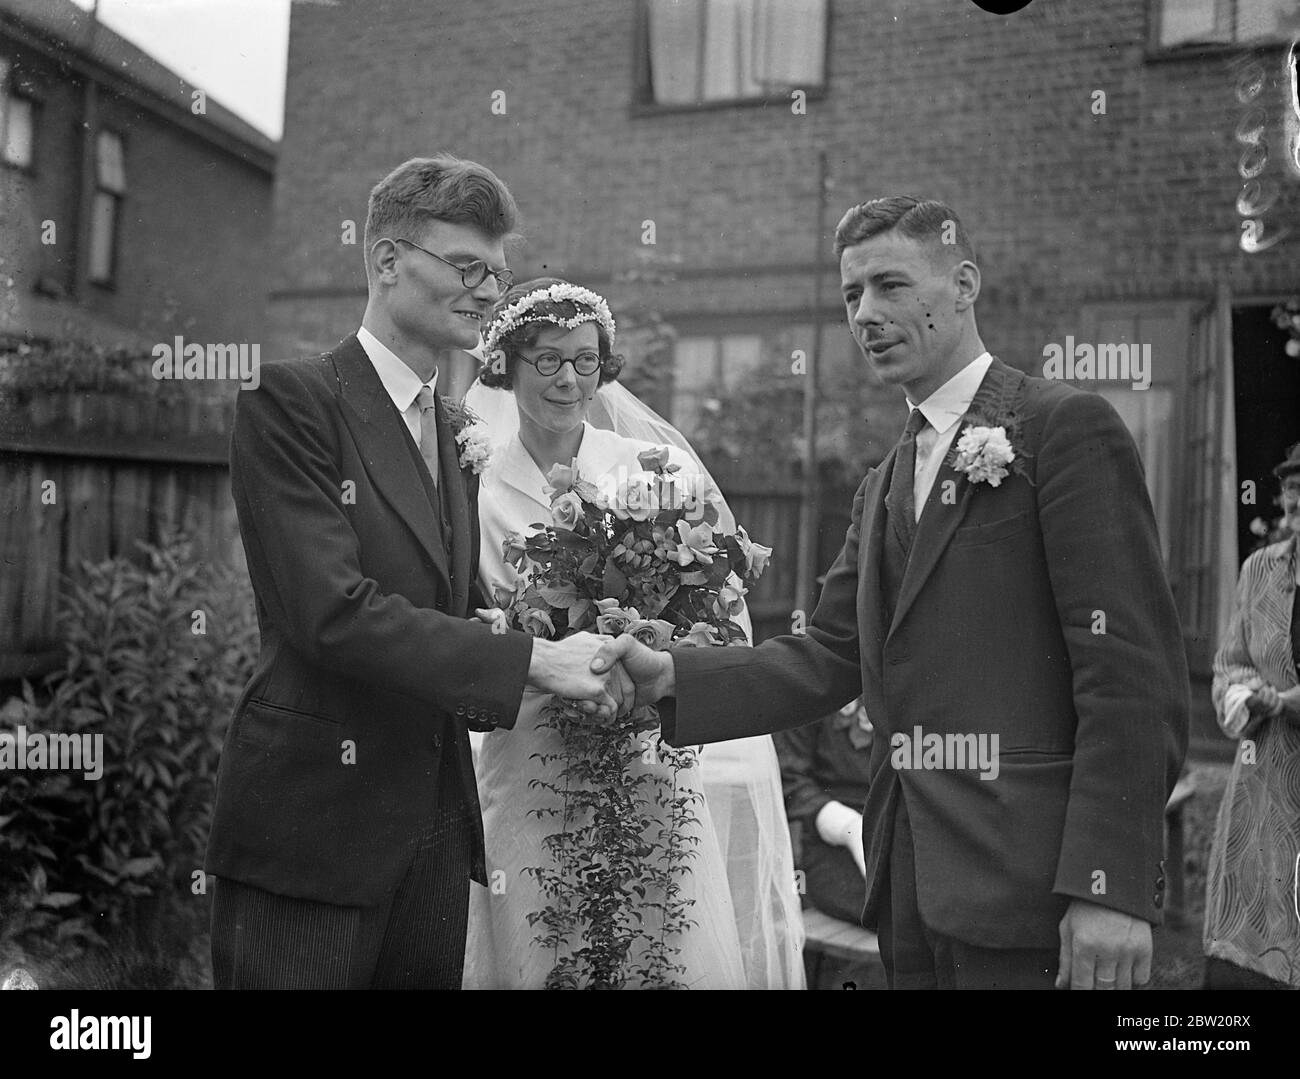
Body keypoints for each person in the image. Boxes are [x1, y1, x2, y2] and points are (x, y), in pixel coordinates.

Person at [591, 196, 1190, 990]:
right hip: (907, 888)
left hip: (1036, 889)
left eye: (890, 285)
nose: (866, 313)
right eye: (851, 296)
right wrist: (671, 676)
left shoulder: (1064, 430)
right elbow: (830, 652)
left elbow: (1131, 675)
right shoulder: (883, 483)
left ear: (964, 284)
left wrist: (1108, 887)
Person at [204, 157, 620, 990]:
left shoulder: (455, 429)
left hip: (432, 835)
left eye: (497, 274)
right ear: (389, 261)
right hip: (313, 834)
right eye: (467, 267)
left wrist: (576, 642)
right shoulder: (290, 401)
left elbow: (451, 610)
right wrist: (537, 664)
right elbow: (335, 613)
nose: (488, 290)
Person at [459, 278, 804, 988]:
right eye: (547, 359)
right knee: (538, 936)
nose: (568, 379)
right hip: (530, 749)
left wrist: (648, 665)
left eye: (585, 360)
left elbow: (723, 617)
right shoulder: (474, 484)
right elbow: (468, 621)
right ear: (505, 365)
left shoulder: (660, 470)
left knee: (658, 937)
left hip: (647, 746)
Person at [1203, 442, 1300, 989]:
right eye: (1291, 493)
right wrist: (1250, 696)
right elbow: (1228, 665)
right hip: (1266, 785)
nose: (1294, 505)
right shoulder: (1260, 569)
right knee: (1255, 949)